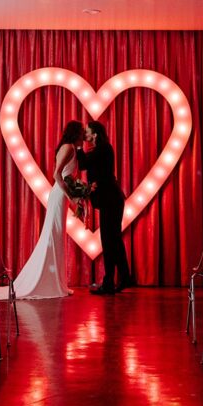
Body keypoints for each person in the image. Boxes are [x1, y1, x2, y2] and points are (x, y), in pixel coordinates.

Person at [13, 120, 85, 299]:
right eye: (82, 133)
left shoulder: (71, 148)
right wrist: (72, 196)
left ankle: (57, 282)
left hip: (62, 195)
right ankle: (50, 282)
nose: (84, 136)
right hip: (60, 194)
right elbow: (56, 175)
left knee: (57, 236)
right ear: (76, 133)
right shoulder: (68, 147)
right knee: (54, 234)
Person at [77, 120, 132, 296]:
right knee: (113, 240)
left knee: (110, 241)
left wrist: (78, 147)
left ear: (95, 134)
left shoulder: (103, 149)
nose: (84, 135)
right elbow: (86, 164)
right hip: (110, 200)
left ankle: (111, 282)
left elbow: (83, 163)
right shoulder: (101, 149)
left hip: (111, 200)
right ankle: (123, 277)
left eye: (86, 132)